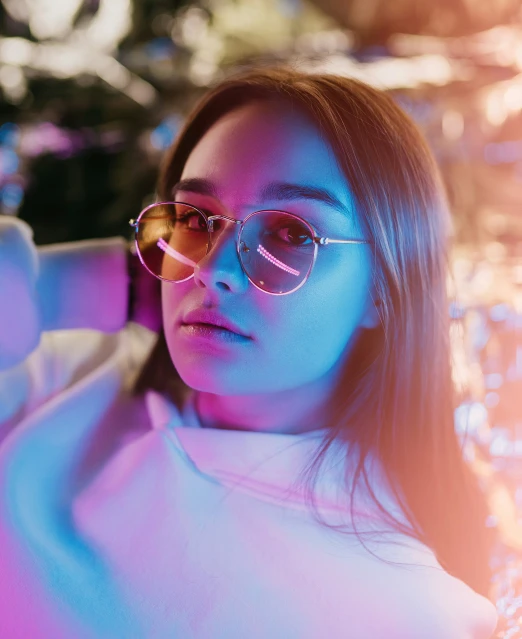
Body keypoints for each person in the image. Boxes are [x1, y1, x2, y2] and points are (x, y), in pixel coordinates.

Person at [0, 66, 499, 638]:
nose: (213, 270)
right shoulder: (63, 375)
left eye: (290, 235)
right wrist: (60, 287)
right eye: (193, 218)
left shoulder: (404, 613)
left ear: (384, 289)